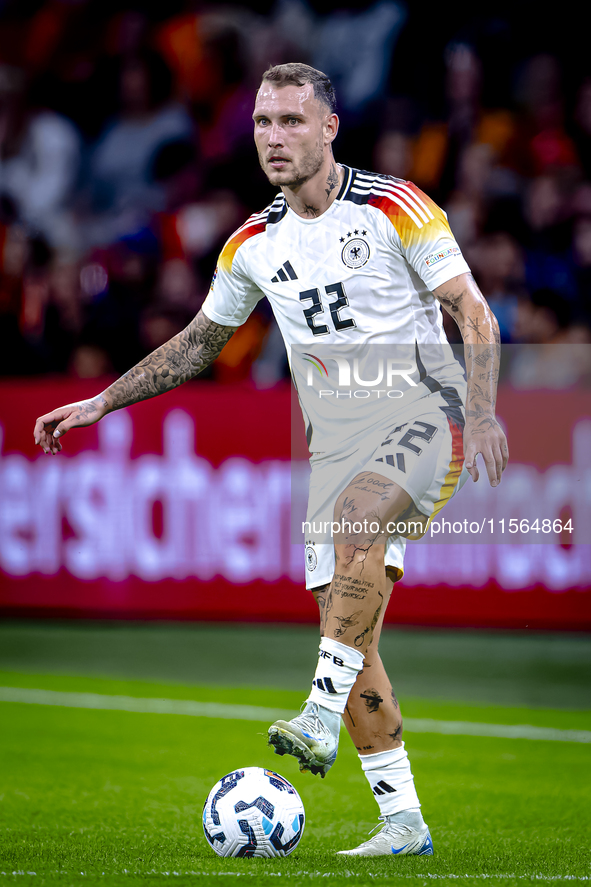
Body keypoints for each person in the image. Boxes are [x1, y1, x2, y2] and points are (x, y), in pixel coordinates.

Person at [34, 63, 508, 857]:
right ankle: (402, 820)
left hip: (430, 418)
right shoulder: (254, 242)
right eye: (261, 123)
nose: (273, 138)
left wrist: (487, 406)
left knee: (357, 532)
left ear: (328, 128)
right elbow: (197, 345)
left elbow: (470, 307)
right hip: (336, 452)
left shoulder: (395, 206)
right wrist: (101, 401)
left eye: (291, 121)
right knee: (349, 637)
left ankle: (315, 715)